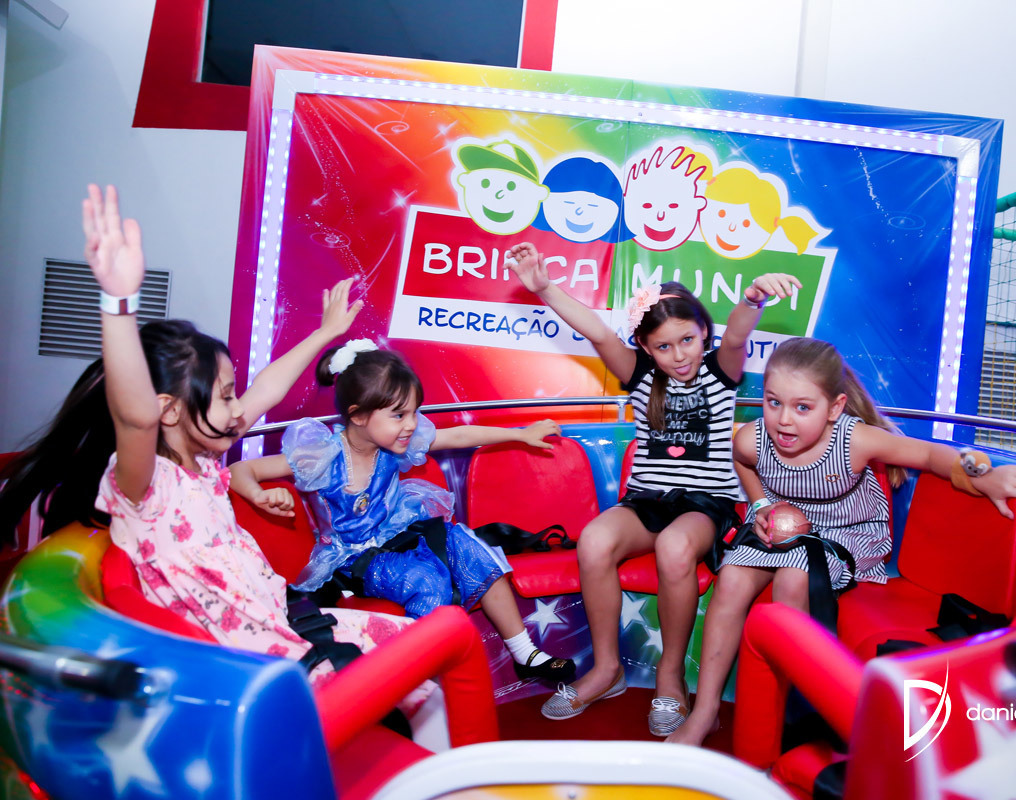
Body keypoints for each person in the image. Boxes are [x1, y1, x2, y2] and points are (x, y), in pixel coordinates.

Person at [53, 184, 446, 748]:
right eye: (225, 395)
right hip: (252, 663)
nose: (239, 408)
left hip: (283, 620)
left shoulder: (206, 459)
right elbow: (134, 418)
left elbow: (266, 389)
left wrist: (326, 334)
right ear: (169, 411)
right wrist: (118, 302)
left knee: (423, 658)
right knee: (411, 679)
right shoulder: (144, 486)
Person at [666, 337, 1016, 746]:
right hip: (784, 526)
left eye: (802, 407)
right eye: (773, 402)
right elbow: (743, 462)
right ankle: (705, 712)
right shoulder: (751, 440)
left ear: (835, 408)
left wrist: (986, 477)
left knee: (794, 576)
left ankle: (788, 716)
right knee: (732, 578)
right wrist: (760, 505)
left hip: (847, 533)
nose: (784, 420)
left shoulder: (853, 440)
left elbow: (930, 455)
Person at [506, 240, 803, 736]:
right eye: (664, 346)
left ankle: (670, 674)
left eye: (687, 340)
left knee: (675, 546)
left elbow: (736, 335)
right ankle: (607, 670)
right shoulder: (640, 374)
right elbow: (597, 331)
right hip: (645, 501)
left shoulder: (720, 370)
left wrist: (753, 298)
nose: (679, 355)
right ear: (646, 348)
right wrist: (544, 289)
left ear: (703, 333)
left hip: (705, 506)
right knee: (594, 540)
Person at [228, 343, 577, 683]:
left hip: (401, 532)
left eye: (413, 412)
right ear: (358, 415)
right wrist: (260, 494)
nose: (411, 424)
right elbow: (240, 470)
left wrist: (521, 435)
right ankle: (417, 679)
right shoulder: (323, 455)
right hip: (355, 558)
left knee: (471, 546)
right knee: (427, 581)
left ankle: (524, 652)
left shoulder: (396, 444)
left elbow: (458, 435)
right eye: (399, 415)